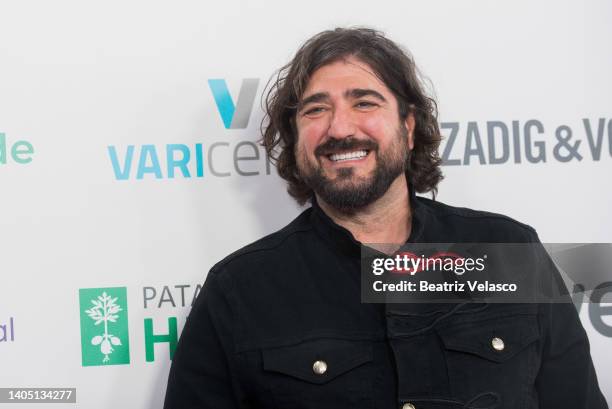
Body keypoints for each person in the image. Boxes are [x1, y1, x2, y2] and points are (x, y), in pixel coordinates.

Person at [164, 28, 607, 409]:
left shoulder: (508, 252)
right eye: (315, 109)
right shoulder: (239, 292)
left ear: (409, 126)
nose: (339, 128)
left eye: (364, 103)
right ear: (296, 138)